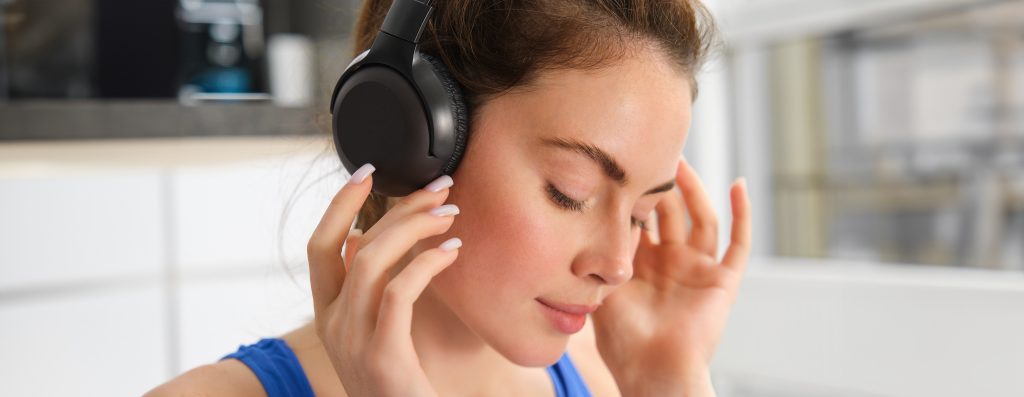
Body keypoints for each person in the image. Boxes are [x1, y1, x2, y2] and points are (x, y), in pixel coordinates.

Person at [146, 0, 751, 395]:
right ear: (412, 140)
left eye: (643, 215)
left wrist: (666, 382)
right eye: (573, 193)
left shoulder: (609, 375)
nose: (618, 266)